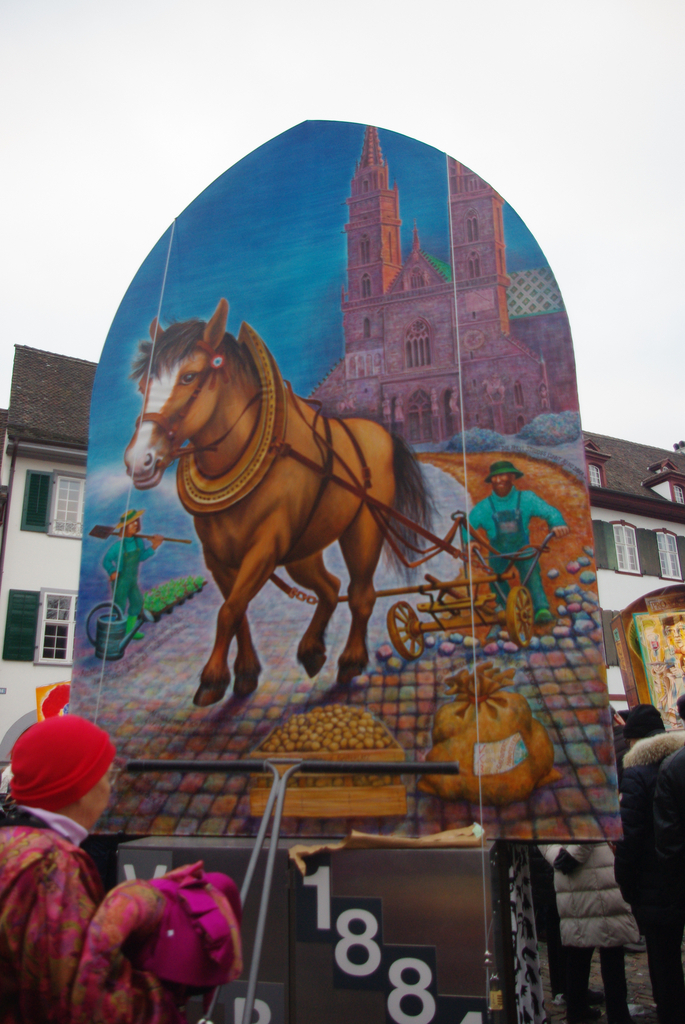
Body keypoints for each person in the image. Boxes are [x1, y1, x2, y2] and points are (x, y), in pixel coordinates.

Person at [0, 714, 179, 1023]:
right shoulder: (53, 864)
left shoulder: (12, 842)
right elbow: (85, 1002)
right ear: (82, 786)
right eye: (108, 777)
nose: (110, 790)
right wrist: (167, 992)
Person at [615, 704, 685, 1024]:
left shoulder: (636, 773)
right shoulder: (679, 764)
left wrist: (626, 884)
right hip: (678, 873)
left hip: (653, 883)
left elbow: (629, 835)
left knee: (664, 962)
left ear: (635, 739)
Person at [541, 842, 638, 1024]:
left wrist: (558, 855)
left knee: (580, 943)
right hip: (589, 867)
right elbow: (593, 828)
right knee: (607, 943)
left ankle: (578, 1009)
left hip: (574, 869)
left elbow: (542, 832)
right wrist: (564, 856)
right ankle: (615, 1014)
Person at [466, 460, 570, 624]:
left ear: (512, 477)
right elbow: (468, 525)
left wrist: (557, 523)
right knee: (495, 576)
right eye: (495, 477)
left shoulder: (527, 498)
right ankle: (506, 607)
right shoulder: (484, 507)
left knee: (531, 572)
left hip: (523, 547)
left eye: (503, 475)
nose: (498, 480)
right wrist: (470, 541)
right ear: (491, 480)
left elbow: (549, 511)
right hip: (497, 551)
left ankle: (540, 608)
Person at [103, 509, 164, 637]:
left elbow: (141, 557)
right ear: (125, 527)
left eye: (136, 521)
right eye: (131, 522)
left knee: (137, 602)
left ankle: (129, 631)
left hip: (132, 581)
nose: (135, 524)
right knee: (120, 606)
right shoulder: (118, 546)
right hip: (121, 581)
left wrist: (154, 546)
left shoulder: (138, 542)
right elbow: (106, 560)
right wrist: (112, 571)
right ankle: (117, 633)